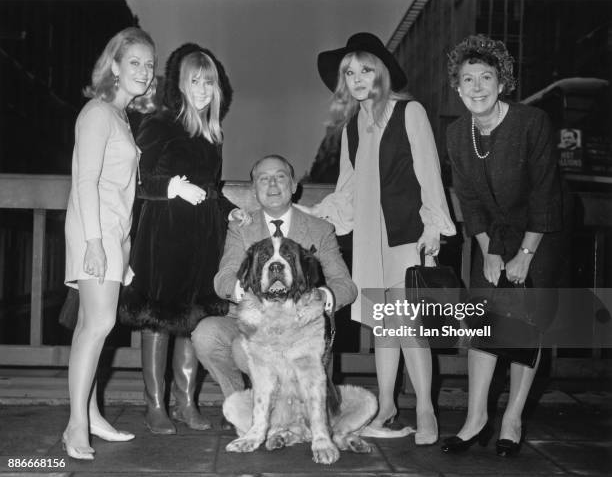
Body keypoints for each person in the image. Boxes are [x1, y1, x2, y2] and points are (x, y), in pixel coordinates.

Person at [300, 32, 456, 444]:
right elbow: (348, 189)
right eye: (349, 72)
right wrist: (316, 215)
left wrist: (433, 228)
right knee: (384, 327)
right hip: (370, 238)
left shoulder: (411, 112)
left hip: (408, 235)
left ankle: (426, 410)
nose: (356, 78)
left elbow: (429, 174)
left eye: (365, 69)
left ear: (382, 73)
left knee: (411, 327)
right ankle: (386, 406)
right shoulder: (352, 125)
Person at [441, 35, 565, 457]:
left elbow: (546, 196)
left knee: (523, 326)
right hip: (492, 236)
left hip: (539, 235)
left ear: (502, 82)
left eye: (486, 78)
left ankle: (511, 419)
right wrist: (489, 250)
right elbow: (469, 200)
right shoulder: (457, 134)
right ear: (457, 88)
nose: (477, 87)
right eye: (467, 79)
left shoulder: (532, 123)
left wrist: (524, 255)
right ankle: (475, 419)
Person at [119, 43, 250, 434]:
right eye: (195, 81)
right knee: (158, 319)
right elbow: (138, 182)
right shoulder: (159, 123)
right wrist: (172, 188)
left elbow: (210, 189)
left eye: (208, 82)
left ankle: (185, 403)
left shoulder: (213, 135)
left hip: (201, 240)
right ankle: (154, 406)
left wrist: (230, 210)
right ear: (180, 84)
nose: (202, 89)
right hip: (163, 237)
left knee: (193, 318)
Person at [191, 154, 358, 402]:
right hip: (251, 317)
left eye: (280, 178)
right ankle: (242, 402)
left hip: (300, 324)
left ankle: (288, 403)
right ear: (254, 189)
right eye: (263, 179)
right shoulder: (240, 228)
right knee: (206, 335)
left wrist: (320, 297)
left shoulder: (320, 229)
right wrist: (247, 294)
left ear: (293, 186)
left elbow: (346, 286)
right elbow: (223, 278)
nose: (272, 185)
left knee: (242, 349)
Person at [63, 27, 156, 460]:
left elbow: (121, 194)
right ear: (114, 66)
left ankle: (93, 416)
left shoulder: (121, 117)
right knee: (96, 327)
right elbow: (85, 181)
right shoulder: (98, 113)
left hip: (109, 234)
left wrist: (122, 249)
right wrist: (96, 244)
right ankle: (75, 425)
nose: (144, 70)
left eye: (149, 64)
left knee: (95, 327)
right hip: (92, 232)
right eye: (134, 62)